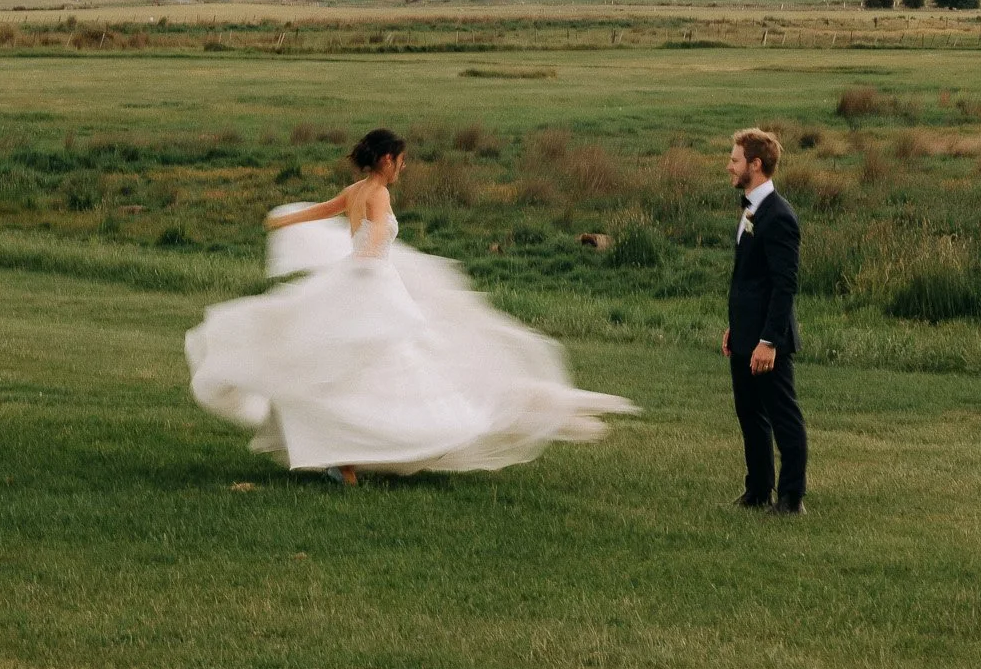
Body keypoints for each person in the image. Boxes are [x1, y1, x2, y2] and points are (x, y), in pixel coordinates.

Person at [184, 127, 635, 483]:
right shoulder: (377, 193)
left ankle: (343, 457)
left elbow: (324, 210)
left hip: (359, 276)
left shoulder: (354, 190)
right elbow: (376, 229)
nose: (402, 169)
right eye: (401, 162)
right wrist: (370, 250)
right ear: (386, 160)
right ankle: (388, 442)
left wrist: (286, 217)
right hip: (372, 279)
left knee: (351, 362)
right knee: (387, 358)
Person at [722, 127, 806, 515]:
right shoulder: (749, 209)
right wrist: (735, 330)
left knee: (783, 416)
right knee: (749, 415)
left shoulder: (780, 216)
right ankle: (757, 490)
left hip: (768, 341)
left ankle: (791, 498)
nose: (729, 166)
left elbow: (783, 286)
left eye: (735, 160)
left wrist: (769, 341)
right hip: (745, 335)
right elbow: (747, 282)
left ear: (755, 165)